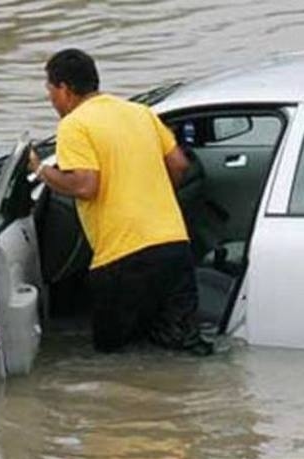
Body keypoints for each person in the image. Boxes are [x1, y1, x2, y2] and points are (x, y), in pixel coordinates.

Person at [28, 48, 212, 356]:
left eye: (49, 90)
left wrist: (40, 170)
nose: (50, 99)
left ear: (64, 89)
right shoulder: (140, 112)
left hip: (123, 257)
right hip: (174, 247)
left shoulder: (74, 124)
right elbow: (179, 165)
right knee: (184, 346)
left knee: (115, 357)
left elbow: (85, 185)